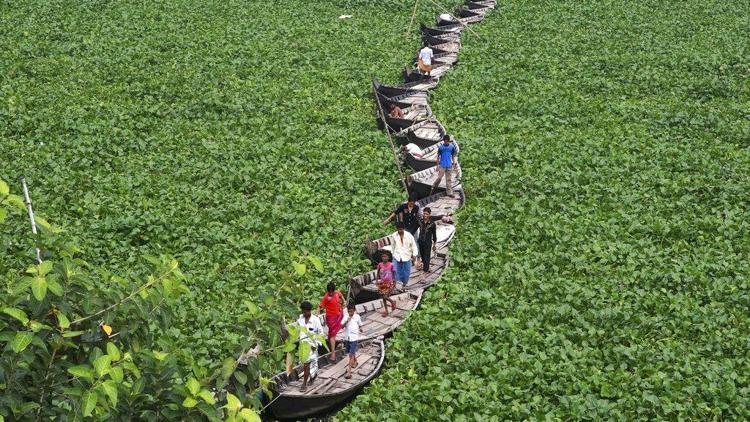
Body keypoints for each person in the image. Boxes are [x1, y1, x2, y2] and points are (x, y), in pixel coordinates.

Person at [296, 301, 323, 392]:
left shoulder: (315, 320)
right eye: (303, 311)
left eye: (305, 312)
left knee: (310, 364)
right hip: (303, 346)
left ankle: (304, 383)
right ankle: (312, 377)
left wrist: (316, 344)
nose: (304, 313)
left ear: (309, 311)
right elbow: (297, 329)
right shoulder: (300, 319)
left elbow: (321, 333)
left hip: (312, 346)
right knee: (305, 364)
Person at [319, 282, 345, 362]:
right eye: (329, 291)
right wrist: (317, 315)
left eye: (332, 291)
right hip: (331, 318)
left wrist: (344, 301)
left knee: (332, 334)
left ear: (334, 290)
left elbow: (341, 296)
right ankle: (333, 354)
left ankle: (332, 348)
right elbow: (320, 306)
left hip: (339, 315)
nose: (330, 293)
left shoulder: (337, 293)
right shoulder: (326, 297)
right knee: (332, 335)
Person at [390, 222, 418, 290]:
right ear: (397, 229)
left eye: (401, 229)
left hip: (406, 256)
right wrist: (392, 254)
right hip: (397, 255)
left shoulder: (409, 236)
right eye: (398, 230)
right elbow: (393, 246)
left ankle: (404, 284)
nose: (400, 231)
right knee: (395, 270)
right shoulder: (394, 235)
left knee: (406, 272)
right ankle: (398, 286)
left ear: (403, 229)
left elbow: (414, 246)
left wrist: (414, 255)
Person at [340, 303, 363, 379]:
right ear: (347, 311)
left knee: (351, 354)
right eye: (349, 311)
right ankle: (355, 361)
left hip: (354, 338)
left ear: (354, 311)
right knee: (350, 352)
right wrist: (347, 321)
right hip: (347, 337)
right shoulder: (346, 317)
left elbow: (360, 325)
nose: (351, 313)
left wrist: (361, 328)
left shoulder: (357, 317)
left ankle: (349, 372)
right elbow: (342, 326)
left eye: (352, 311)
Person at [417, 207, 438, 272]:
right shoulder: (420, 221)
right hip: (420, 242)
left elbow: (434, 235)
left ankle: (425, 271)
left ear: (429, 214)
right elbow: (414, 228)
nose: (425, 215)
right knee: (423, 256)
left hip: (428, 243)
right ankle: (427, 267)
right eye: (424, 214)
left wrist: (434, 244)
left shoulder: (432, 224)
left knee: (427, 257)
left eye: (427, 214)